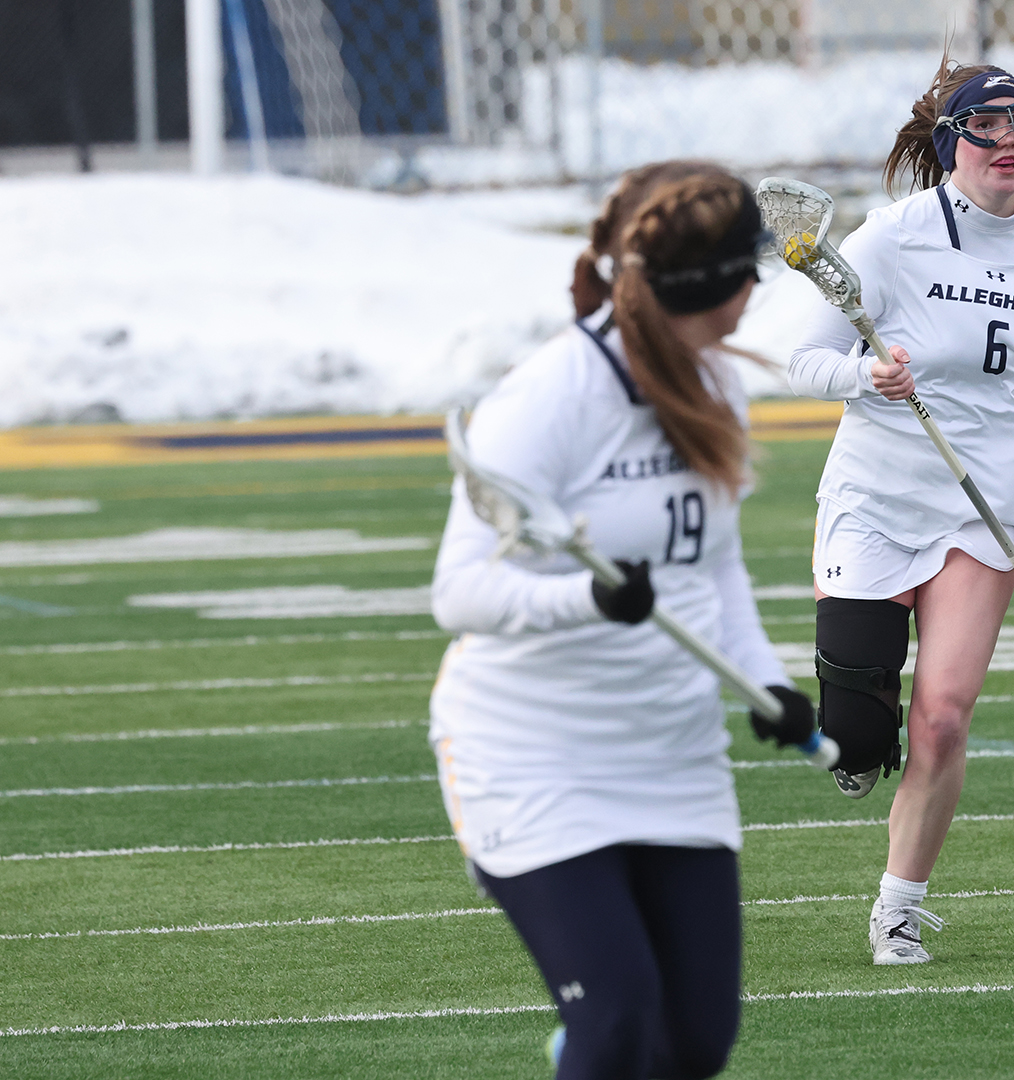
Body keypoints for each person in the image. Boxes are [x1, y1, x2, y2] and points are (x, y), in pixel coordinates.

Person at [428, 163, 818, 1078]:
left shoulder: (715, 382)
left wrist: (765, 680)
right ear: (705, 285)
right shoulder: (550, 397)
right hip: (533, 757)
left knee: (693, 1044)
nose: (756, 289)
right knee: (616, 1027)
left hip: (672, 756)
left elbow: (713, 561)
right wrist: (588, 597)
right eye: (747, 270)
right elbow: (460, 592)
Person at [788, 60, 1014, 963]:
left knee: (943, 718)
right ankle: (857, 743)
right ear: (950, 142)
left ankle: (898, 907)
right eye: (986, 126)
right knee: (858, 737)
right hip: (875, 501)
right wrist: (868, 375)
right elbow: (805, 364)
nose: (1008, 141)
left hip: (981, 515)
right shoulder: (892, 238)